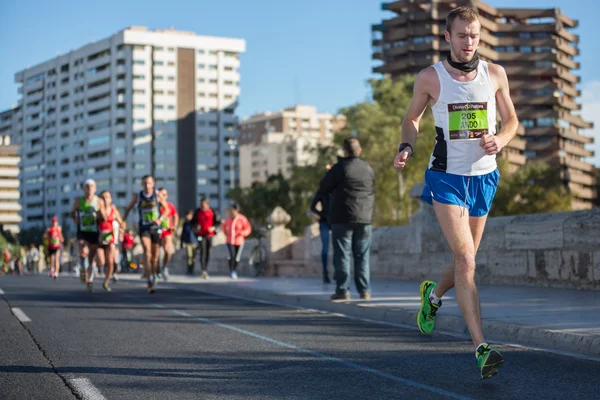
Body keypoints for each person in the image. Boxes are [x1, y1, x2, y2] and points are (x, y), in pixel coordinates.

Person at [392, 7, 518, 379]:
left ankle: (432, 297)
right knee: (465, 260)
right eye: (462, 35)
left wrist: (501, 139)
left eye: (475, 36)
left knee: (467, 259)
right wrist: (406, 146)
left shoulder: (495, 74)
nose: (469, 43)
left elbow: (512, 120)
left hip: (484, 177)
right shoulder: (430, 78)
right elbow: (411, 118)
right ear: (448, 36)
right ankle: (481, 347)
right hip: (446, 177)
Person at [316, 137, 375, 301]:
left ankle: (343, 290)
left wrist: (330, 172)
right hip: (365, 218)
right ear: (360, 151)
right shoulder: (368, 168)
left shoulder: (339, 168)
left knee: (342, 254)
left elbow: (323, 187)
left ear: (345, 151)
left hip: (342, 218)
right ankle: (364, 291)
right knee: (362, 255)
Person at [123, 175, 169, 293]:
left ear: (153, 184)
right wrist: (123, 221)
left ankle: (153, 274)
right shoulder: (138, 196)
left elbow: (167, 210)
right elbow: (128, 208)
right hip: (144, 228)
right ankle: (149, 282)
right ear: (142, 184)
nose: (147, 186)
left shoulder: (157, 195)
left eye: (149, 183)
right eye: (145, 183)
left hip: (155, 228)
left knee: (155, 258)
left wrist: (160, 218)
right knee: (147, 253)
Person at [70, 179, 107, 291]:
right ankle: (82, 267)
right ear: (83, 189)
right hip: (82, 230)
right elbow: (72, 213)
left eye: (92, 186)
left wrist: (100, 214)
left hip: (94, 231)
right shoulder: (78, 200)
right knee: (83, 250)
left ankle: (89, 279)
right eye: (87, 186)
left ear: (95, 189)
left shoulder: (99, 201)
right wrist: (74, 218)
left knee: (91, 256)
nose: (89, 189)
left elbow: (104, 219)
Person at [97, 190, 126, 292]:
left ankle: (106, 281)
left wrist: (122, 230)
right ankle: (99, 269)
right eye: (103, 197)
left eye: (107, 197)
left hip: (111, 239)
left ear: (111, 199)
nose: (105, 199)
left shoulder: (114, 210)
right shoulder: (97, 210)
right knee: (102, 261)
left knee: (110, 262)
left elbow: (121, 222)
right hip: (99, 239)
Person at [310, 177, 332, 284]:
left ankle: (338, 272)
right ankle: (325, 273)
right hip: (324, 222)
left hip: (335, 221)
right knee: (325, 249)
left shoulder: (335, 189)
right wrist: (322, 214)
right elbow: (312, 207)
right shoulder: (322, 191)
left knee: (339, 248)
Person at [192, 198, 221, 279]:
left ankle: (206, 269)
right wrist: (195, 228)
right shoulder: (197, 212)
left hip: (209, 235)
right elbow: (192, 223)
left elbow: (218, 223)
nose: (202, 206)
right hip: (200, 235)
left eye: (203, 204)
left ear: (207, 204)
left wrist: (213, 228)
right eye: (201, 204)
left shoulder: (213, 212)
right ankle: (203, 270)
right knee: (202, 251)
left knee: (208, 252)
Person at [222, 204, 251, 280]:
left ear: (236, 210)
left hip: (239, 241)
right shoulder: (228, 219)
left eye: (233, 210)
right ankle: (231, 270)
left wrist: (242, 233)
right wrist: (225, 232)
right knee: (231, 256)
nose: (231, 212)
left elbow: (248, 228)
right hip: (229, 241)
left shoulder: (242, 219)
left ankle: (234, 270)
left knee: (236, 257)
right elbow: (224, 227)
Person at [157, 188, 178, 281]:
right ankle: (155, 269)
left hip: (167, 231)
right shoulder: (155, 206)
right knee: (155, 253)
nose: (163, 197)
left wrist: (174, 225)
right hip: (156, 231)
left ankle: (164, 267)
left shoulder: (170, 205)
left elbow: (175, 215)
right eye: (161, 194)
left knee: (167, 250)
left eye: (165, 195)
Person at [180, 210, 198, 275]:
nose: (188, 217)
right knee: (189, 256)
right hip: (188, 242)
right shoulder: (185, 224)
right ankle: (189, 269)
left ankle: (192, 269)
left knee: (193, 257)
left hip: (195, 242)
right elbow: (183, 233)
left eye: (190, 215)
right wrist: (181, 243)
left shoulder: (194, 223)